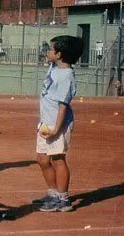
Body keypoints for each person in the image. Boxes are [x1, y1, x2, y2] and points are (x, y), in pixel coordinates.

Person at [31, 35, 84, 212]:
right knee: (42, 159)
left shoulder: (67, 76)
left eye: (51, 49)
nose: (47, 51)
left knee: (58, 160)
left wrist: (56, 129)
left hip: (58, 125)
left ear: (60, 54)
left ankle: (63, 199)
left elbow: (62, 107)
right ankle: (53, 193)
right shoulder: (54, 66)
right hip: (45, 123)